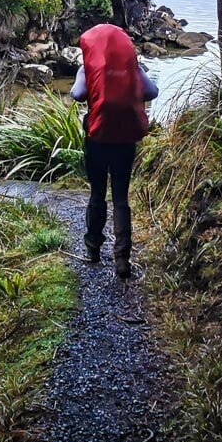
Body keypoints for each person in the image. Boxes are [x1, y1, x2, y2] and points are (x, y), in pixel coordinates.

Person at [71, 24, 159, 279]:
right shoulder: (133, 68)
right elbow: (152, 91)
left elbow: (77, 94)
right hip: (125, 141)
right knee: (121, 198)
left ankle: (93, 249)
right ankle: (122, 259)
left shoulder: (87, 68)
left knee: (97, 193)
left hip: (97, 138)